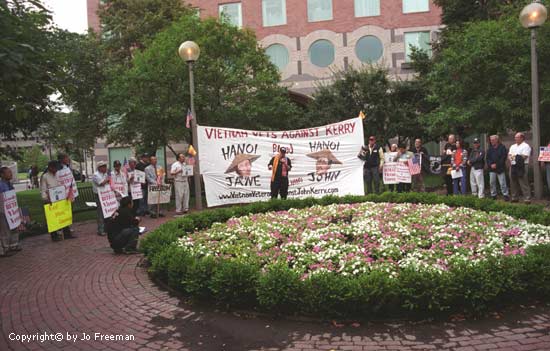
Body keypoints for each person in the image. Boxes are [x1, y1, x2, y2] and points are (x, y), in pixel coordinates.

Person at [40, 161, 72, 241]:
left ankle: (67, 233)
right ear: (50, 167)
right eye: (55, 168)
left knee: (63, 216)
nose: (56, 170)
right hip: (50, 200)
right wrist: (46, 199)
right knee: (53, 219)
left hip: (60, 198)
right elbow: (43, 190)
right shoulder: (45, 177)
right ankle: (54, 236)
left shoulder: (57, 175)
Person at [0, 166, 22, 256]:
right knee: (5, 230)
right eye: (8, 172)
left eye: (10, 172)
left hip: (12, 210)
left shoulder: (9, 184)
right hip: (4, 211)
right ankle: (5, 249)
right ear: (2, 174)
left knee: (14, 227)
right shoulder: (1, 185)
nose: (11, 174)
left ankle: (14, 245)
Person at [509, 132, 532, 204]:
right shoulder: (512, 146)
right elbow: (509, 156)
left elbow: (524, 157)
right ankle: (514, 197)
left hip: (522, 166)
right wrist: (516, 156)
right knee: (513, 181)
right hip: (513, 166)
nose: (515, 139)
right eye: (515, 137)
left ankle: (527, 198)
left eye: (517, 137)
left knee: (523, 182)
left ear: (522, 138)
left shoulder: (526, 146)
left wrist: (514, 156)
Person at [486, 135, 509, 201]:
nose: (491, 141)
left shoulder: (502, 147)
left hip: (500, 168)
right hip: (492, 168)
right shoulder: (490, 148)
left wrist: (497, 164)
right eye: (491, 140)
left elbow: (503, 158)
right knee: (492, 182)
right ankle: (493, 195)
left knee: (502, 183)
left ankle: (505, 195)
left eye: (493, 140)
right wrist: (491, 165)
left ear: (497, 140)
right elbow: (487, 158)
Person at [92, 161, 110, 236]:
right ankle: (100, 229)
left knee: (106, 211)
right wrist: (108, 179)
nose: (106, 168)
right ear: (100, 168)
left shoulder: (105, 174)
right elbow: (101, 183)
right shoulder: (96, 175)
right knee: (100, 213)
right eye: (104, 166)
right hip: (98, 195)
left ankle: (106, 228)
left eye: (105, 166)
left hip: (105, 194)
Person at [541, 141, 550, 207]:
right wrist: (542, 160)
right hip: (548, 165)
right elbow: (545, 153)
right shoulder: (549, 145)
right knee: (549, 182)